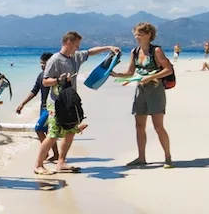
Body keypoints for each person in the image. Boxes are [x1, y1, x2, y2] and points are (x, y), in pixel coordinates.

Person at [33, 31, 120, 176]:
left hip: (71, 102)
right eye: (76, 45)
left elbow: (90, 52)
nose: (78, 48)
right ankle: (38, 165)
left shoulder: (76, 56)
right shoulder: (54, 60)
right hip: (56, 102)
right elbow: (45, 81)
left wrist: (108, 48)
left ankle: (61, 163)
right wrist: (59, 80)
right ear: (68, 42)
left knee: (71, 132)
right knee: (53, 134)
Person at [110, 22, 173, 168]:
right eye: (135, 34)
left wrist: (150, 77)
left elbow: (168, 69)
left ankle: (168, 157)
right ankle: (141, 157)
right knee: (139, 125)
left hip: (155, 90)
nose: (137, 37)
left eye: (140, 34)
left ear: (148, 34)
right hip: (140, 90)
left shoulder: (156, 51)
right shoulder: (135, 51)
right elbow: (130, 73)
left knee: (158, 126)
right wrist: (114, 73)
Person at [16, 52, 58, 162]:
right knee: (50, 132)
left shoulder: (55, 77)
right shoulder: (41, 76)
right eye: (41, 63)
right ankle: (56, 154)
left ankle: (45, 152)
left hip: (51, 108)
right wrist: (22, 103)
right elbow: (34, 91)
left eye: (45, 63)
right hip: (43, 107)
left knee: (38, 129)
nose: (42, 65)